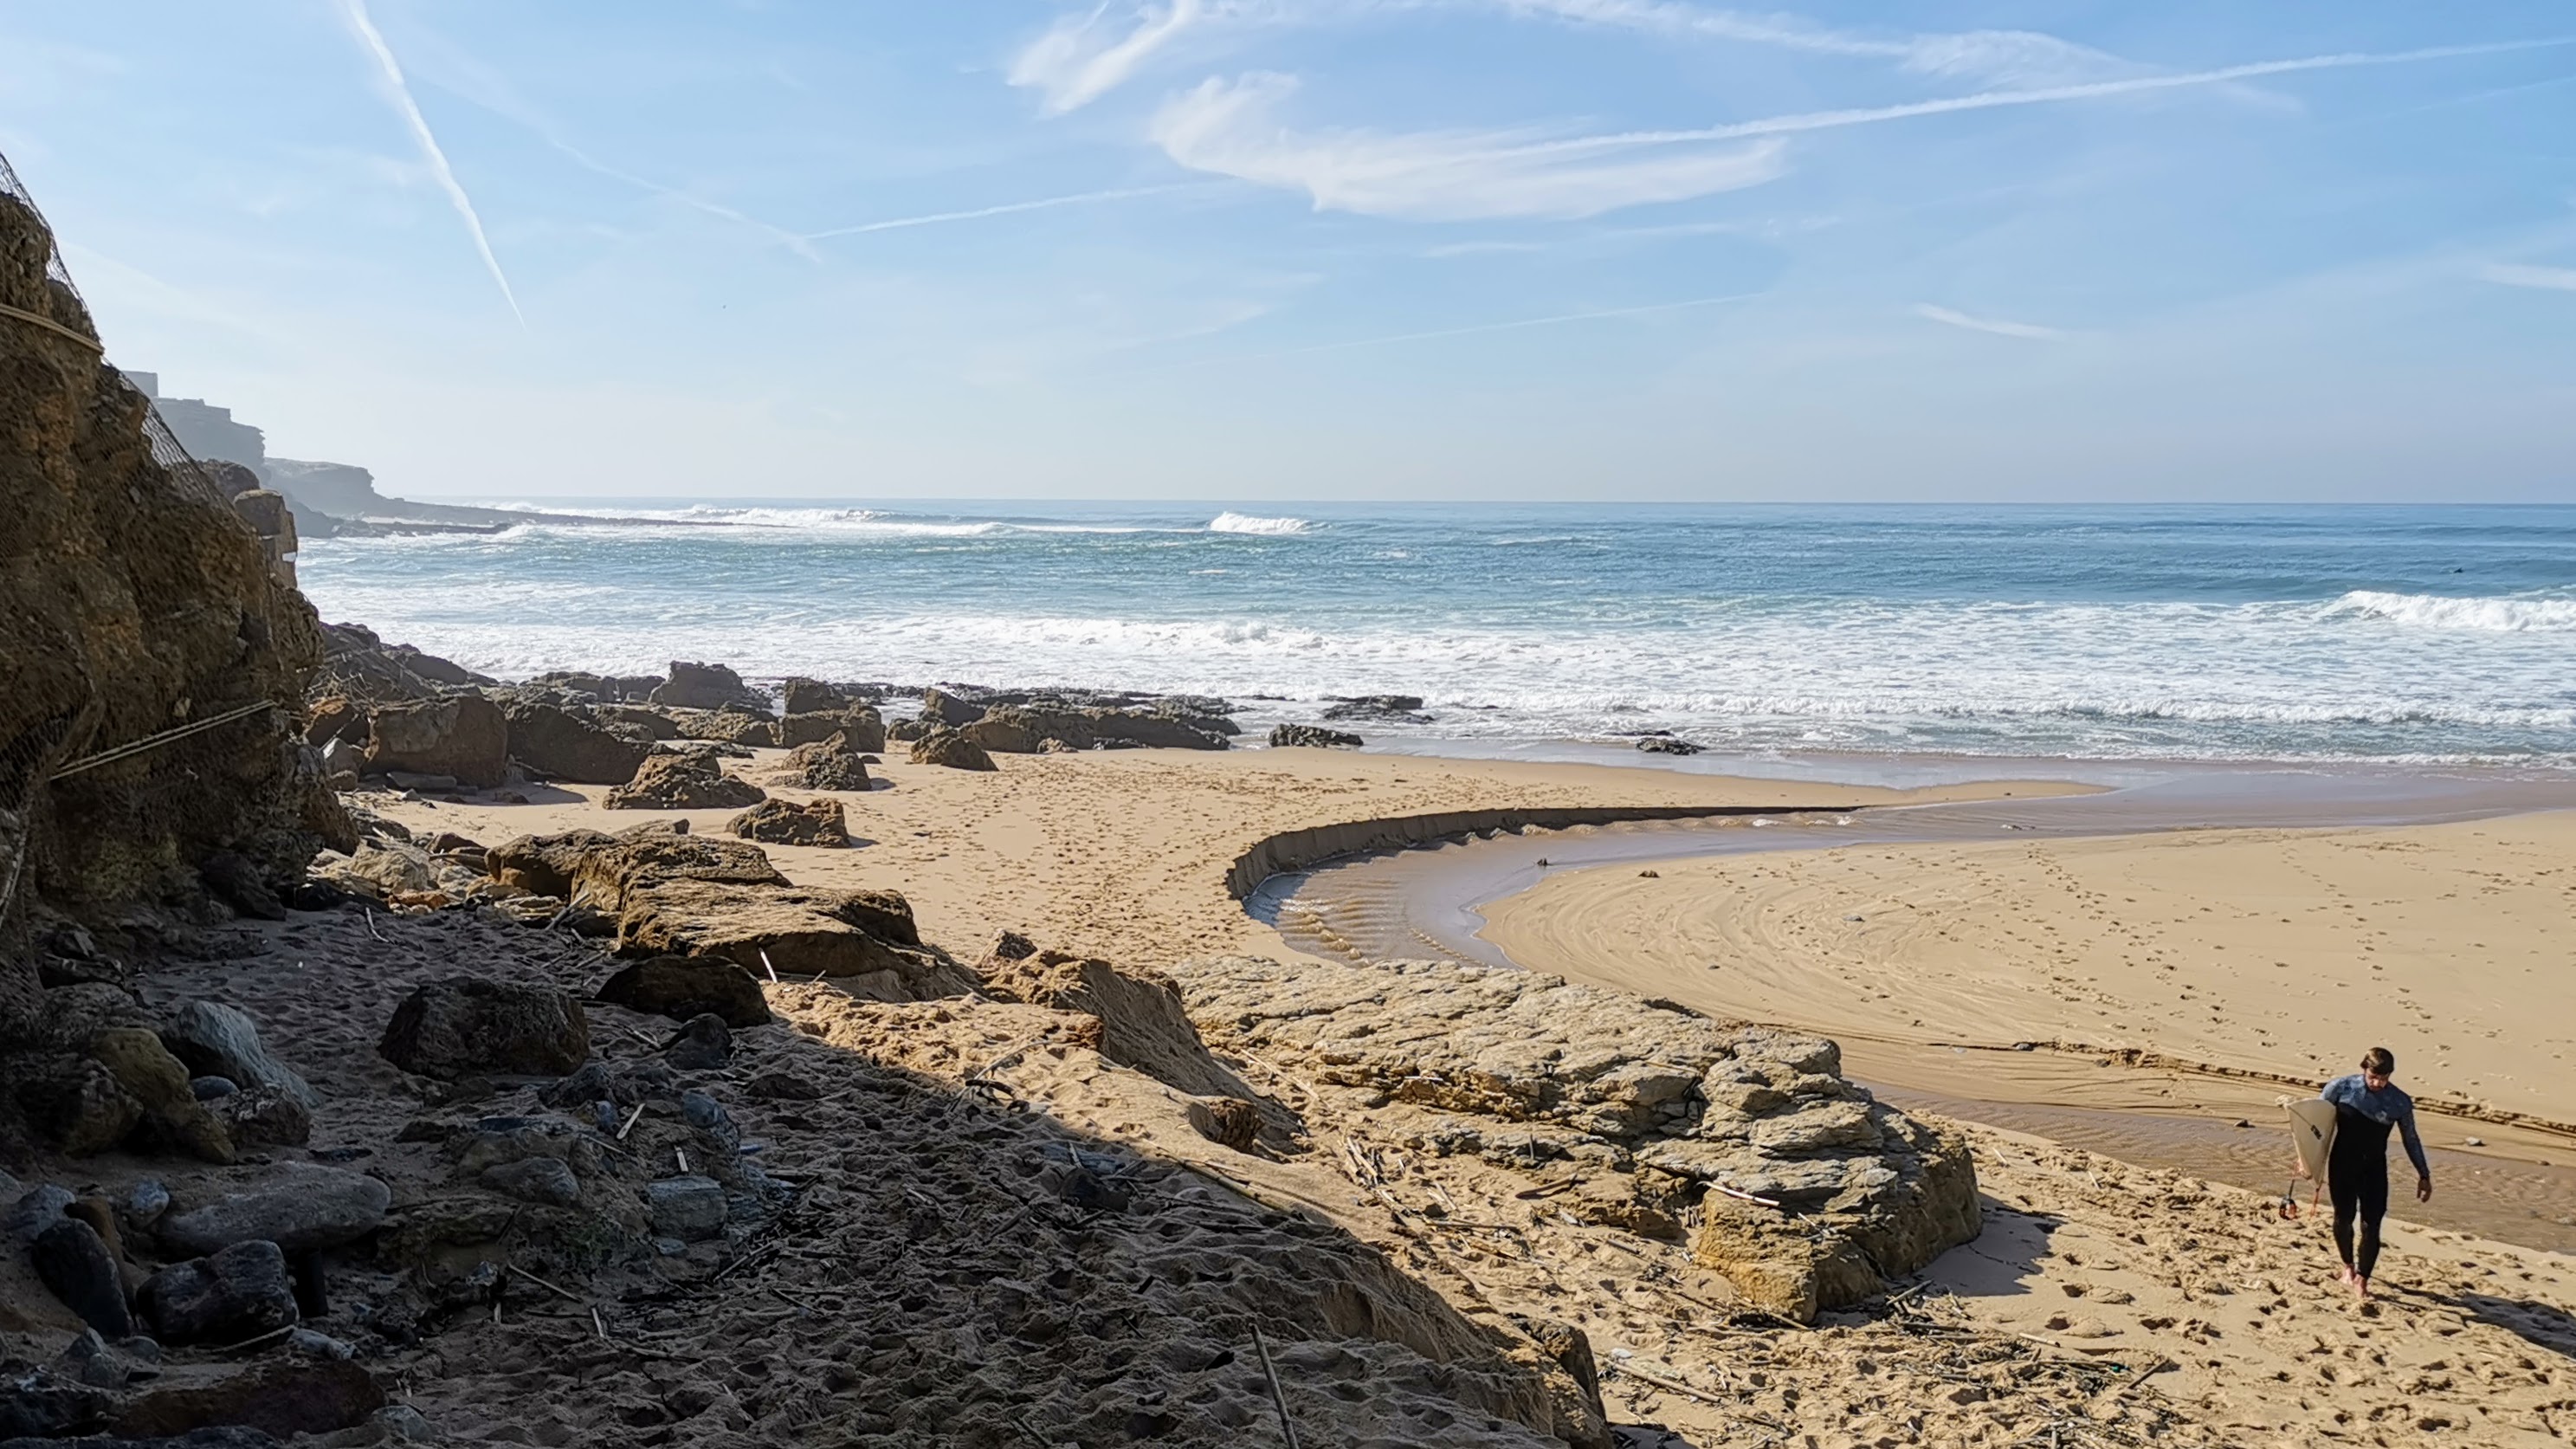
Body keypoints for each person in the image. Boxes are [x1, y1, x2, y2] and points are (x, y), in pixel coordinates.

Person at [2319, 1046, 2431, 1301]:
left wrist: (2423, 1175)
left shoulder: (2399, 1102)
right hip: (2342, 1165)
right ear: (2364, 1069)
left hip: (2374, 1169)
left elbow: (2410, 1138)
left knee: (2372, 1225)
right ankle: (2348, 1267)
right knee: (2343, 1217)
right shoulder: (2340, 1088)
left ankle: (2362, 1280)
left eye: (2384, 1078)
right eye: (2373, 1077)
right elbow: (2315, 1126)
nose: (2378, 1083)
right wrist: (2307, 1161)